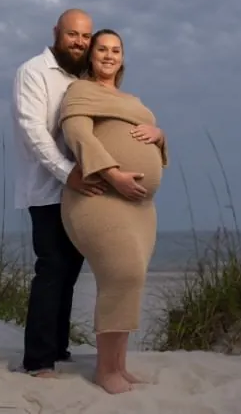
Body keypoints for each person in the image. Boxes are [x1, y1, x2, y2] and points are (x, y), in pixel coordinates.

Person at [58, 28, 169, 394]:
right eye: (101, 49)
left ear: (122, 57)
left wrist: (159, 136)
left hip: (140, 206)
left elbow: (151, 136)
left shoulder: (133, 100)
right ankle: (106, 371)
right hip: (99, 196)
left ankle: (119, 366)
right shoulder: (80, 91)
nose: (108, 55)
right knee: (120, 273)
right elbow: (78, 135)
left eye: (116, 50)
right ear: (91, 55)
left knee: (132, 277)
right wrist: (113, 174)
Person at [11, 8, 108, 377]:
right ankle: (38, 360)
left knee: (70, 271)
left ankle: (59, 346)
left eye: (85, 36)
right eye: (73, 35)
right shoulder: (33, 72)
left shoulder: (83, 76)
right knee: (51, 268)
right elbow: (34, 133)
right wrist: (69, 175)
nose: (80, 42)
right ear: (57, 32)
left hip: (80, 190)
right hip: (48, 188)